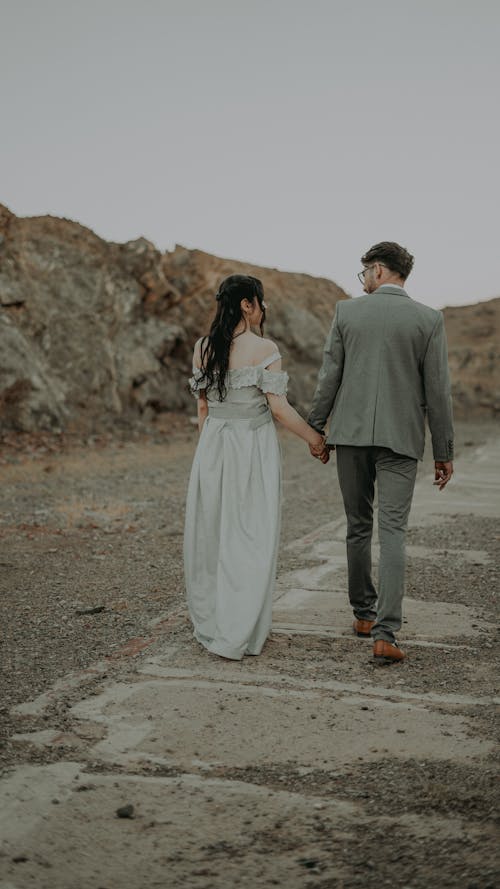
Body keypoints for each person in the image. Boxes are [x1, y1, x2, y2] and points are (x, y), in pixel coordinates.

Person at [308, 242, 454, 663]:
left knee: (357, 525)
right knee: (393, 532)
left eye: (365, 274)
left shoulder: (346, 312)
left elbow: (328, 377)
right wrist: (443, 451)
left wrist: (317, 428)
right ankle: (386, 634)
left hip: (351, 436)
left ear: (377, 270)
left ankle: (364, 615)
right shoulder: (429, 319)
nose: (364, 282)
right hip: (402, 440)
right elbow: (438, 392)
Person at [184, 274, 326, 660]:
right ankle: (241, 627)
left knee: (215, 533)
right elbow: (279, 408)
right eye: (261, 303)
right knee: (250, 533)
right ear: (248, 304)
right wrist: (314, 438)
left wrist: (208, 454)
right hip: (250, 447)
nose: (263, 310)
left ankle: (214, 620)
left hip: (213, 445)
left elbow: (202, 408)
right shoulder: (263, 348)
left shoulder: (202, 347)